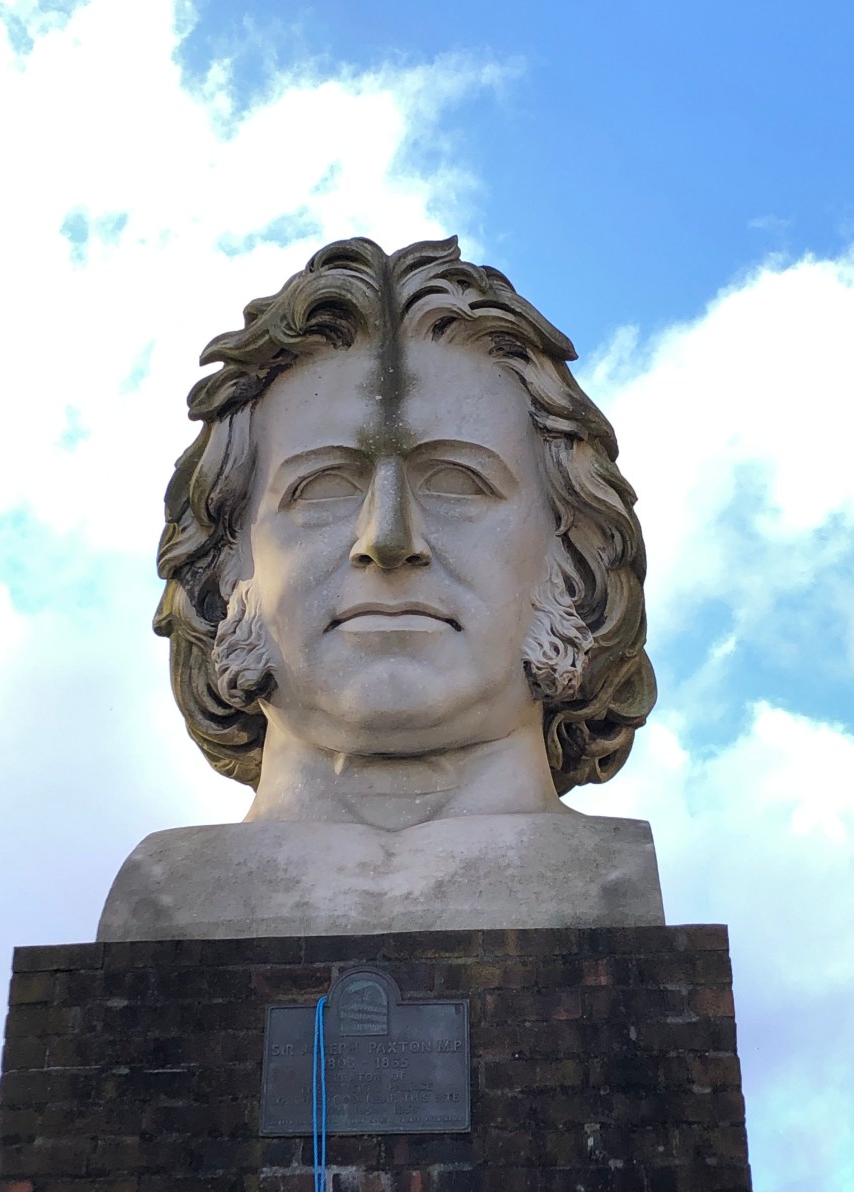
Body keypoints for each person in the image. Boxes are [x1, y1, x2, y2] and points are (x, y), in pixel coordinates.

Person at [98, 237, 663, 939]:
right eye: (322, 487)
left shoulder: (611, 882)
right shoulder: (163, 893)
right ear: (224, 566)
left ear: (575, 556)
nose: (388, 541)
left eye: (458, 481)